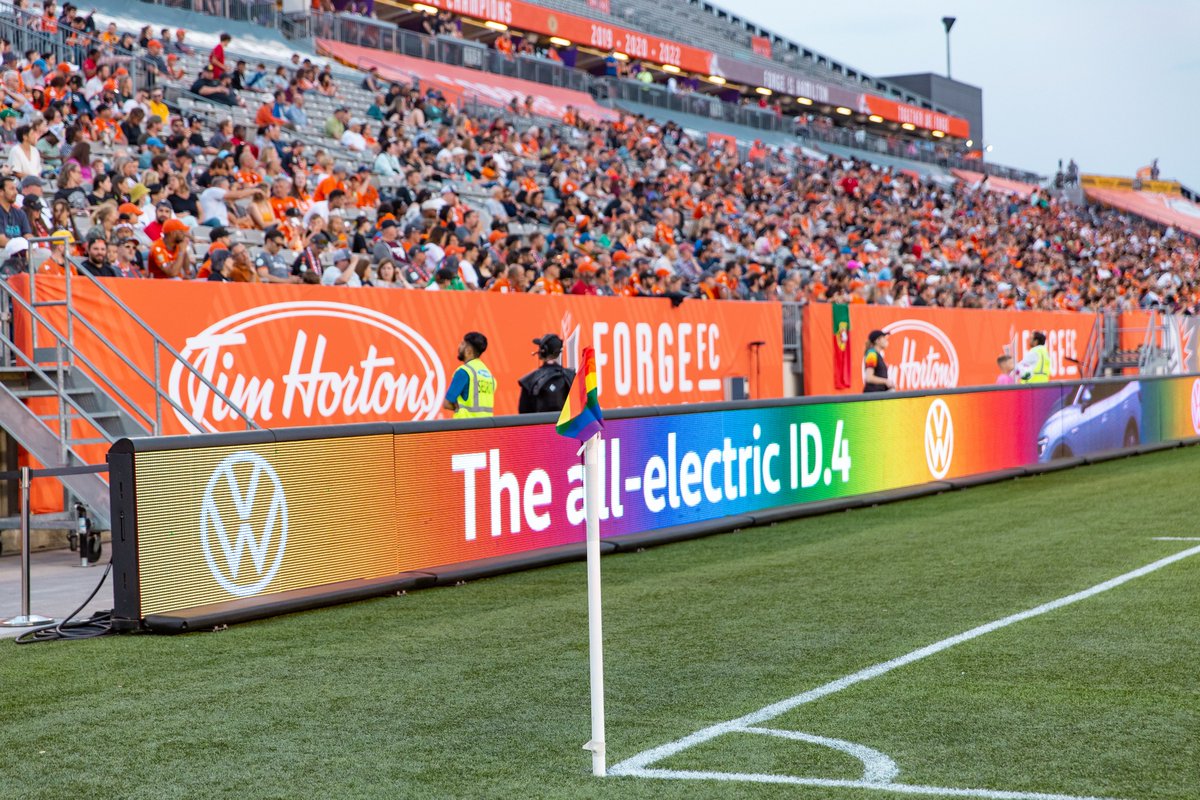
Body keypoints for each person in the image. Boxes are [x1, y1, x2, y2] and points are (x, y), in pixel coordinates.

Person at [517, 334, 575, 414]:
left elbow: (523, 413)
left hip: (540, 426)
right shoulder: (572, 377)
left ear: (543, 351)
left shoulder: (529, 381)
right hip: (567, 426)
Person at [443, 331, 495, 419]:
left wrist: (458, 408)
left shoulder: (464, 372)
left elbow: (447, 403)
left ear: (468, 350)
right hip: (486, 428)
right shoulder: (489, 375)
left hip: (466, 427)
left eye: (462, 344)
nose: (459, 346)